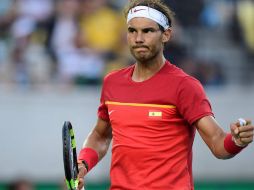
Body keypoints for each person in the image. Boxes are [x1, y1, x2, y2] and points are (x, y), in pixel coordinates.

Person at [76, 0, 254, 189]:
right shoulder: (112, 82)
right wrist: (83, 163)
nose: (138, 38)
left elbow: (217, 143)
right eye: (132, 31)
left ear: (166, 35)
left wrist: (236, 141)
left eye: (147, 31)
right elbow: (101, 136)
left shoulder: (184, 86)